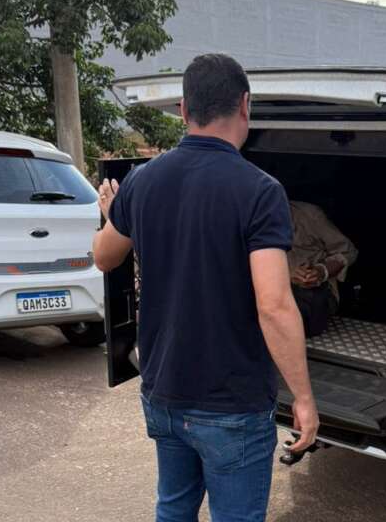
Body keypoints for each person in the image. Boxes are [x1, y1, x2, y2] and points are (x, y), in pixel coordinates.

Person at [92, 53, 319, 522]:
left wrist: (114, 213)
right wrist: (303, 396)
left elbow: (104, 256)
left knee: (173, 509)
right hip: (232, 404)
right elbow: (274, 305)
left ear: (183, 110)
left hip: (164, 392)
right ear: (245, 105)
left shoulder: (142, 180)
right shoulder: (260, 191)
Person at [287, 201, 358, 337]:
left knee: (295, 315)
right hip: (267, 292)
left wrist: (321, 271)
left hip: (309, 293)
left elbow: (348, 251)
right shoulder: (248, 217)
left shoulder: (309, 214)